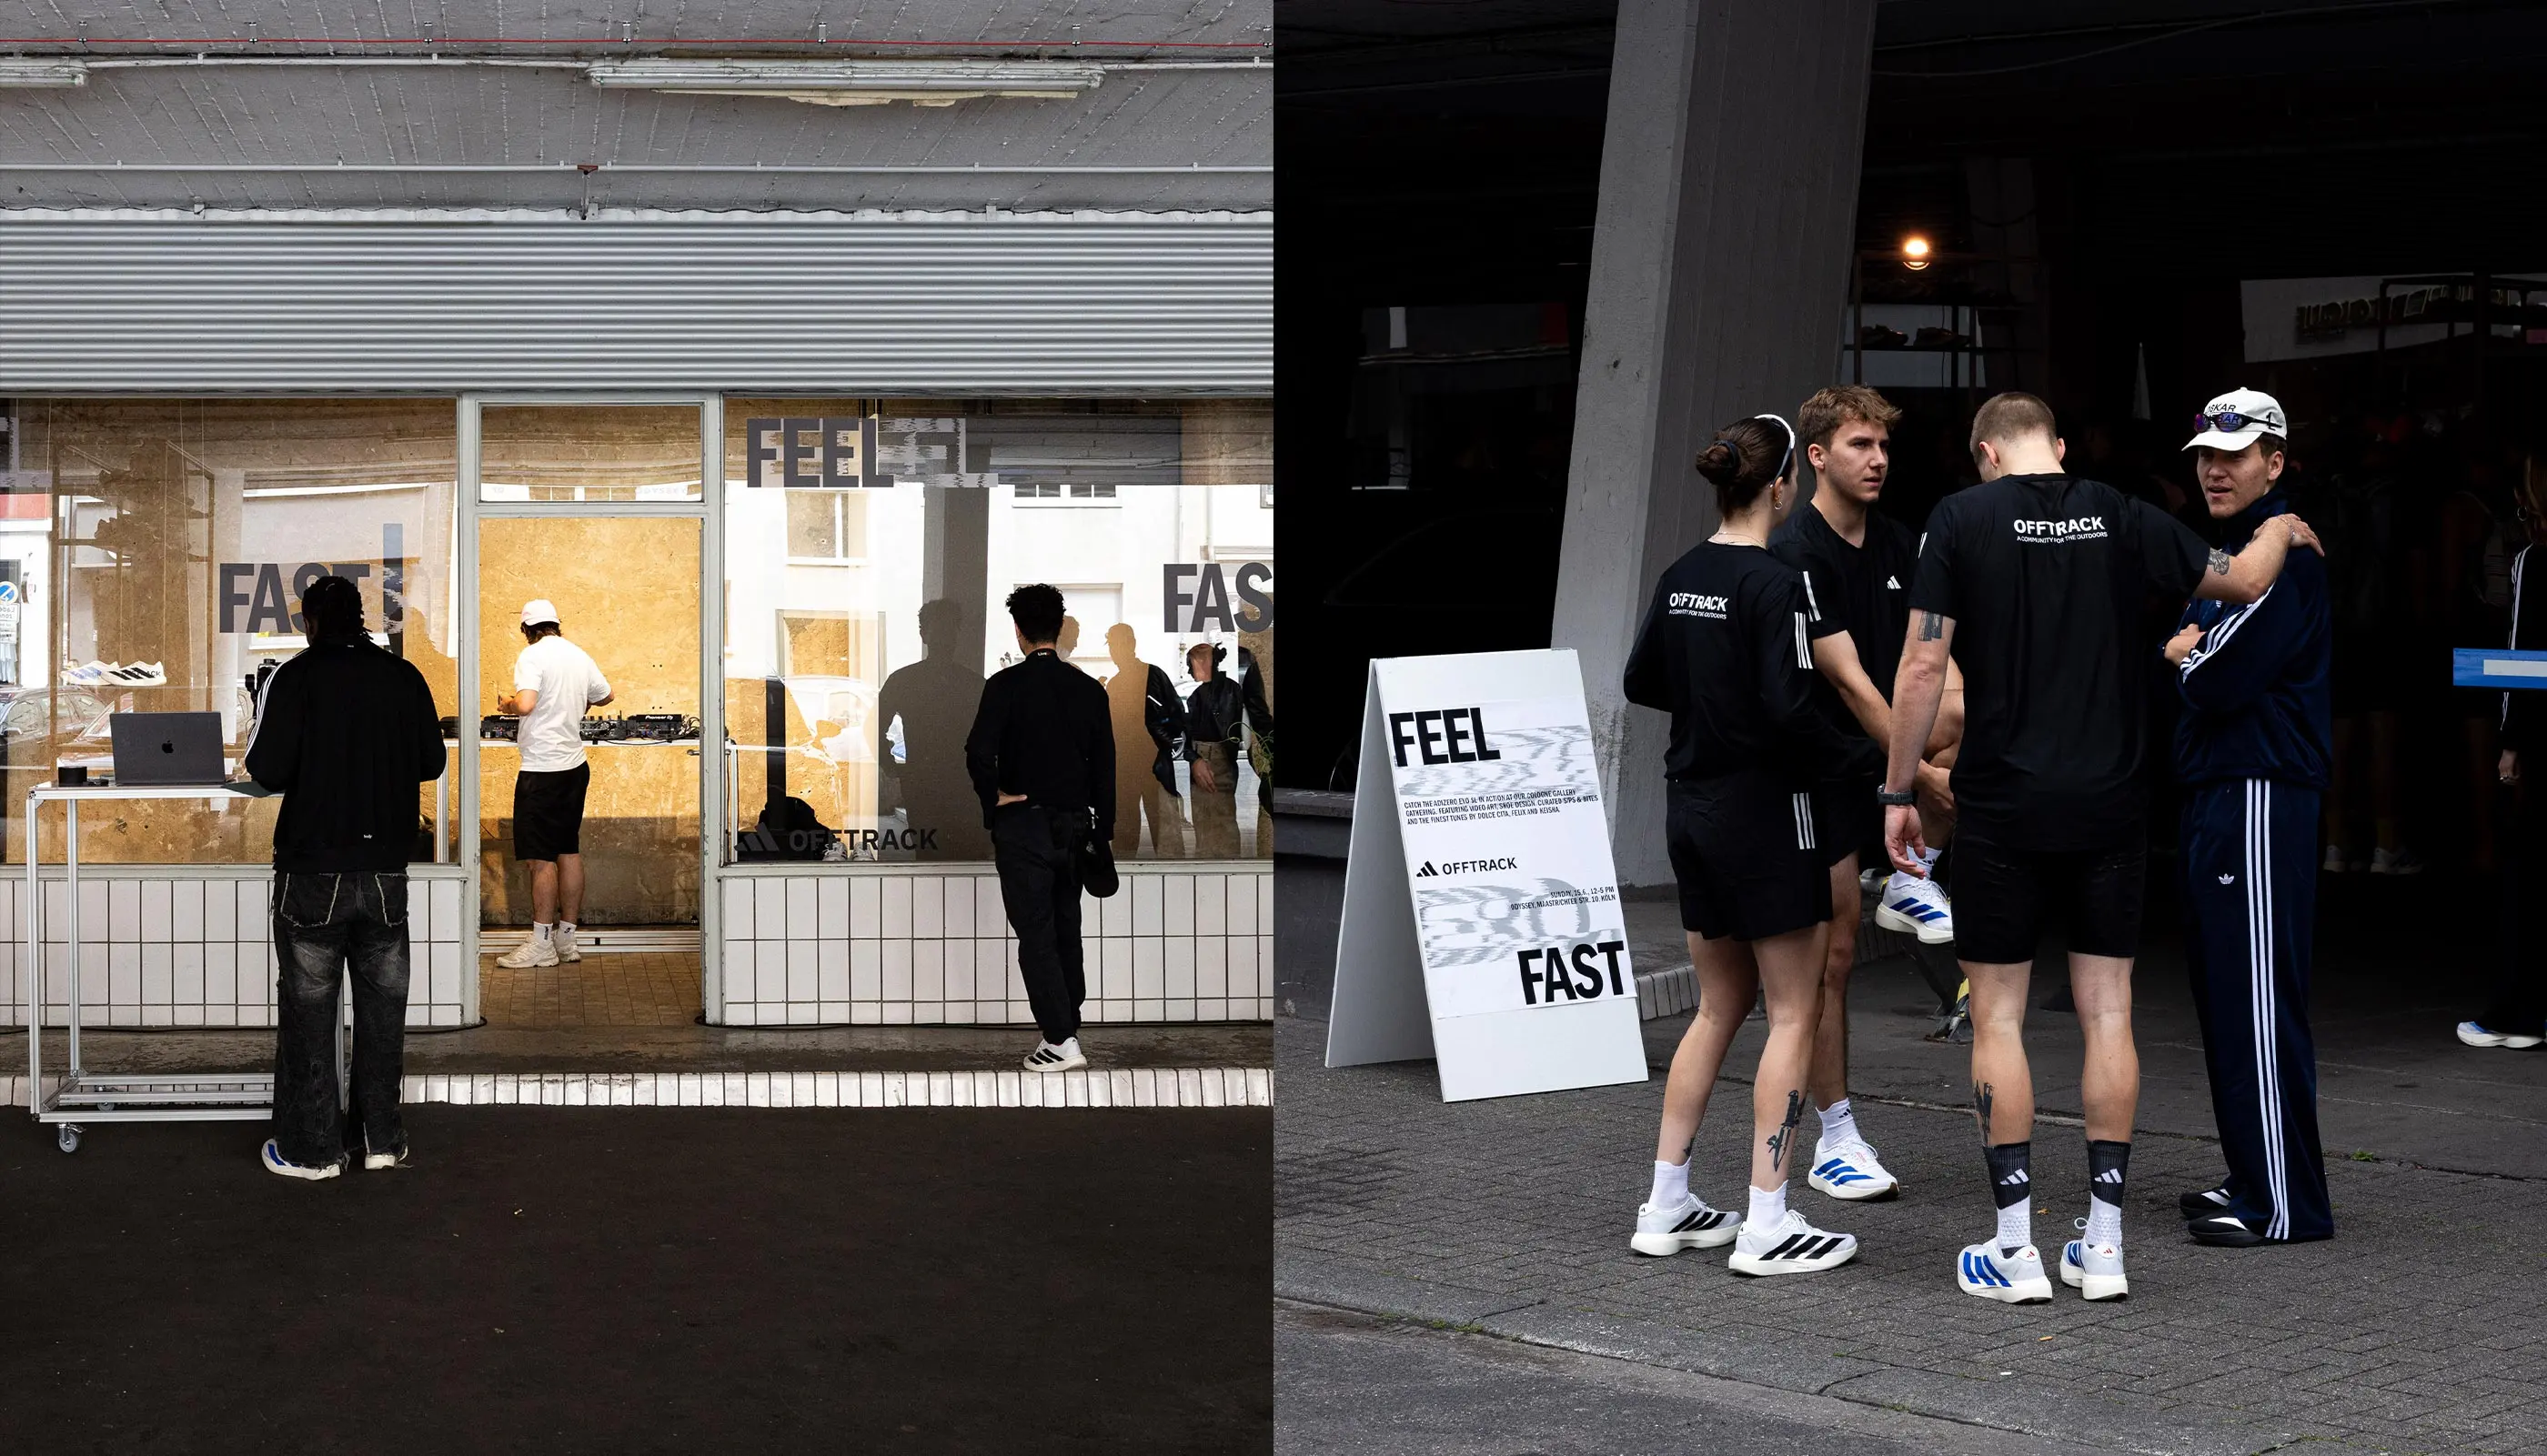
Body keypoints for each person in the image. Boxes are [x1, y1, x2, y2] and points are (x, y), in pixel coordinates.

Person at [1882, 391, 2320, 1303]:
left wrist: (1896, 790)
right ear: (2061, 444)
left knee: (1998, 1017)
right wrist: (2286, 533)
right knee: (2108, 1014)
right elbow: (2241, 579)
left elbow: (1924, 664)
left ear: (1986, 455)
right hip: (2112, 803)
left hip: (2002, 802)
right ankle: (2106, 1243)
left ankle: (2014, 1248)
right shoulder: (2122, 515)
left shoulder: (1960, 518)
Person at [1624, 413, 1882, 1278]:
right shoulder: (1775, 582)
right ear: (1781, 488)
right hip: (1772, 814)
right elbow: (1787, 708)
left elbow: (1640, 678)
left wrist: (1712, 700)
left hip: (1691, 808)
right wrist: (1873, 764)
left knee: (1716, 1005)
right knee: (1795, 1010)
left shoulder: (1682, 570)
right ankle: (1767, 1218)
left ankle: (1665, 1204)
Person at [1769, 385, 1964, 1204]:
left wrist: (1951, 742)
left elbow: (1937, 661)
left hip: (1883, 758)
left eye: (1883, 445)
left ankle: (1911, 870)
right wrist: (1920, 777)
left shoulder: (1902, 540)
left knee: (1965, 713)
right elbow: (1848, 682)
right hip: (1816, 770)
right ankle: (1835, 1138)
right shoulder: (1796, 550)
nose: (1878, 459)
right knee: (1833, 958)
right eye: (1859, 445)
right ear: (1818, 456)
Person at [2161, 389, 2336, 1247]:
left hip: (2257, 788)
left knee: (2258, 1000)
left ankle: (2283, 1205)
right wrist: (2189, 655)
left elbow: (2212, 678)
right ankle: (2253, 1176)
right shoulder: (2237, 552)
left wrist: (2185, 658)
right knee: (2232, 995)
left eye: (2235, 451)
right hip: (2228, 788)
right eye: (2205, 452)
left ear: (2275, 461)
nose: (2214, 465)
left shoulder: (2285, 555)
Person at [243, 575, 447, 1179]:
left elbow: (265, 768)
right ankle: (381, 1140)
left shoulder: (296, 677)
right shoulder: (402, 677)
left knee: (310, 1013)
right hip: (385, 869)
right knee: (383, 1014)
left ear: (309, 623)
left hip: (312, 873)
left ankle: (313, 1150)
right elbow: (432, 761)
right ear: (362, 619)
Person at [966, 584, 1114, 1072]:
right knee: (1066, 928)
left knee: (1036, 934)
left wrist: (996, 796)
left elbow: (977, 752)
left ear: (1018, 630)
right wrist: (1104, 828)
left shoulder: (1004, 686)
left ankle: (1059, 1040)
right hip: (1074, 828)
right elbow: (1105, 768)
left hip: (1023, 829)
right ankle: (1068, 1024)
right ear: (1060, 627)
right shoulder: (1089, 690)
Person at [2463, 453, 2547, 1049]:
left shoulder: (2532, 562)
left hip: (2544, 737)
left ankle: (2515, 1012)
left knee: (2529, 874)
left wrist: (2510, 742)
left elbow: (2521, 661)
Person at [493, 598, 612, 969]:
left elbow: (526, 704)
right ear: (557, 625)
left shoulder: (532, 656)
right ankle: (567, 940)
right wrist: (570, 708)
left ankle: (542, 944)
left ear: (527, 630)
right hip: (574, 767)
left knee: (540, 859)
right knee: (568, 850)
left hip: (542, 770)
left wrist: (507, 704)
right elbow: (605, 695)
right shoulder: (578, 654)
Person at [878, 598, 989, 859]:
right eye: (943, 628)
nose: (945, 635)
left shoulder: (905, 680)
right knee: (963, 860)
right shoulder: (973, 684)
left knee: (931, 860)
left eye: (947, 628)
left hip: (927, 781)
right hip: (959, 783)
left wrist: (892, 764)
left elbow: (874, 727)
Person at [1105, 623, 1187, 858]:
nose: (1114, 651)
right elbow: (1176, 716)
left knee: (1156, 838)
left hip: (1149, 767)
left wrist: (1162, 743)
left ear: (1131, 645)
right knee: (1135, 836)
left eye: (1116, 645)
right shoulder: (1122, 682)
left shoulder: (1148, 677)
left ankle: (1168, 880)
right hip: (1136, 768)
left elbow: (1176, 716)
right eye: (1112, 645)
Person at [1184, 641, 1249, 857]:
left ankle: (1224, 869)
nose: (1188, 670)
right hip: (1208, 756)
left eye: (1191, 664)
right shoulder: (1199, 696)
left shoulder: (1228, 691)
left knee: (1219, 821)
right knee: (1207, 823)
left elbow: (1231, 731)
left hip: (1215, 756)